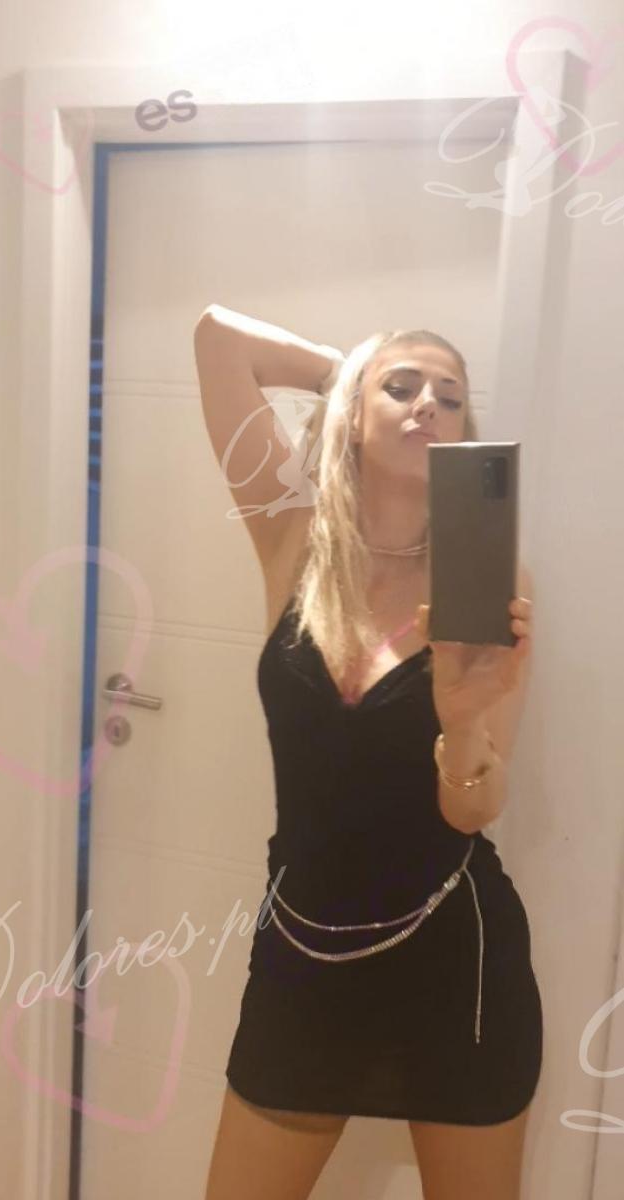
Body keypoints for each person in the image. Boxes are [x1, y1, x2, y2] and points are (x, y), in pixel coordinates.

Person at [194, 304, 542, 1200]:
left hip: (452, 962)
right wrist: (343, 374)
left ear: (464, 434)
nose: (428, 403)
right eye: (402, 386)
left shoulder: (485, 579)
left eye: (450, 397)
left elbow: (473, 808)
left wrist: (461, 722)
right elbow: (216, 338)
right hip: (301, 954)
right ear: (352, 413)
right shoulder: (291, 536)